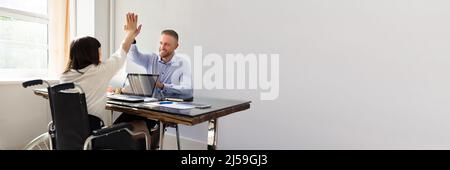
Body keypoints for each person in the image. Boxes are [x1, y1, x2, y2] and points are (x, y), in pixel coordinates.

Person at [59, 13, 142, 129]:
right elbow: (122, 51)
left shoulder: (64, 76)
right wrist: (130, 33)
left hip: (67, 133)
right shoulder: (99, 71)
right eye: (99, 51)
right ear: (92, 54)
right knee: (140, 121)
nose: (101, 55)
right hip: (92, 133)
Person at [114, 29, 193, 149]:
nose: (162, 47)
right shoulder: (151, 58)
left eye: (167, 44)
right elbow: (134, 56)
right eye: (161, 43)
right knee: (117, 127)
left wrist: (163, 86)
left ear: (176, 46)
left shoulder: (183, 64)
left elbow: (187, 90)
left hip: (164, 112)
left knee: (138, 132)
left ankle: (147, 144)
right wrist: (132, 38)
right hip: (145, 108)